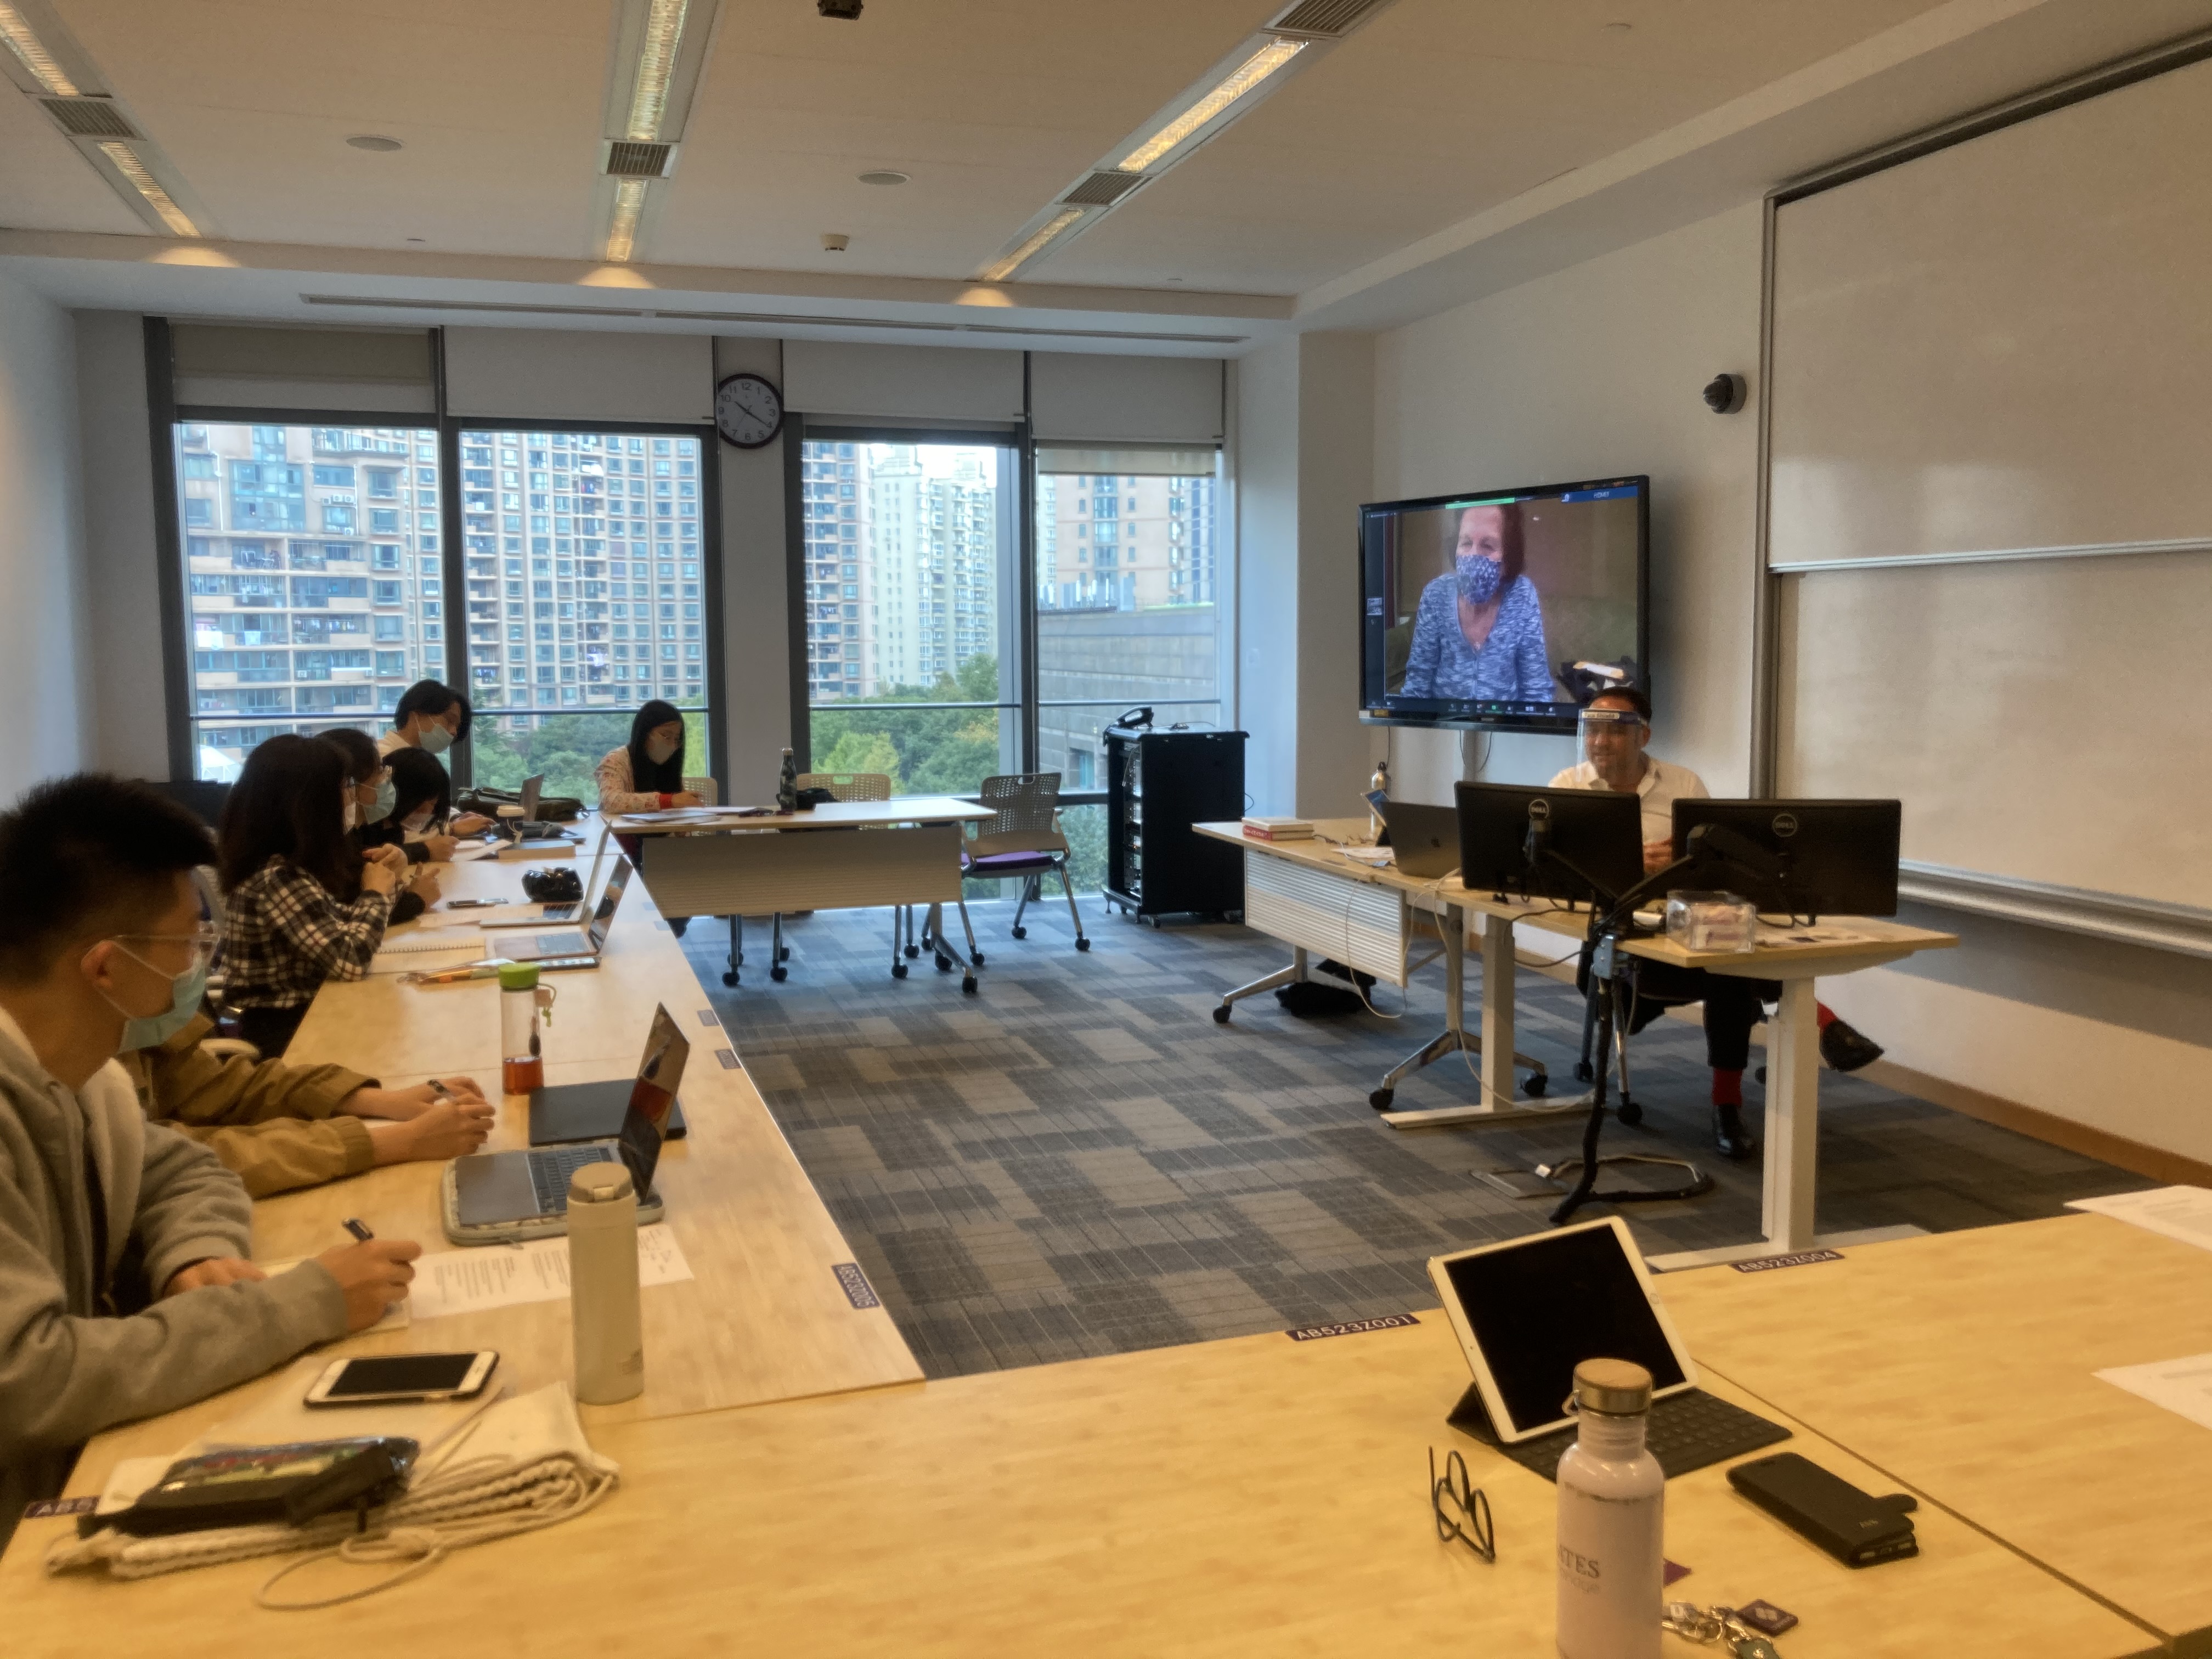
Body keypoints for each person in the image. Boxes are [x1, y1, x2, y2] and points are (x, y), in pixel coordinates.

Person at [0, 774, 420, 1545]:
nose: (202, 966)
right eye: (191, 944)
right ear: (105, 968)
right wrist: (304, 1303)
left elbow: (184, 1171)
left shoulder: (80, 1079)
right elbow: (30, 1381)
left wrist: (192, 1251)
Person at [1549, 685, 1883, 1159]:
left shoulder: (1683, 785)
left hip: (1687, 928)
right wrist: (1628, 865)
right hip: (1618, 945)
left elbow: (1710, 868)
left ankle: (1726, 1105)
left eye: (1615, 730)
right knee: (1733, 969)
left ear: (1643, 735)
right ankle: (1822, 1023)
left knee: (1729, 964)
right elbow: (1555, 873)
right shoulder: (1567, 786)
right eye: (1593, 729)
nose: (1601, 741)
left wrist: (1674, 866)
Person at [217, 735, 404, 1057]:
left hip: (311, 1011)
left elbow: (344, 921)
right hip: (287, 1035)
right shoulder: (276, 878)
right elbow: (350, 960)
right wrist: (375, 893)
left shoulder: (292, 867)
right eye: (345, 786)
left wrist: (388, 880)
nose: (351, 796)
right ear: (311, 805)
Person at [1400, 501, 1555, 703]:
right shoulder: (1435, 594)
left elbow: (1536, 689)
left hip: (1504, 726)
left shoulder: (1522, 595)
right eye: (1466, 543)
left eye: (1487, 545)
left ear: (1508, 559)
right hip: (1445, 727)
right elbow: (1417, 685)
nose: (1473, 555)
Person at [597, 701, 703, 937]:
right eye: (666, 736)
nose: (672, 745)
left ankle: (668, 937)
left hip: (665, 856)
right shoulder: (616, 761)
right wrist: (667, 801)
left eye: (677, 739)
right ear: (645, 732)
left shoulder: (668, 767)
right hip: (624, 856)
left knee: (684, 892)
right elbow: (612, 800)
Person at [321, 730, 443, 925]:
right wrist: (415, 901)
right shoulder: (321, 848)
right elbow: (342, 922)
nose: (386, 781)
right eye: (380, 772)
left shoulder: (349, 836)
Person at [376, 681, 490, 836]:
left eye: (457, 727)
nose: (454, 732)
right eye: (450, 721)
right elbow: (388, 830)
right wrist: (452, 829)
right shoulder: (382, 760)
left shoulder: (422, 762)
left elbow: (423, 808)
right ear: (416, 713)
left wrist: (456, 817)